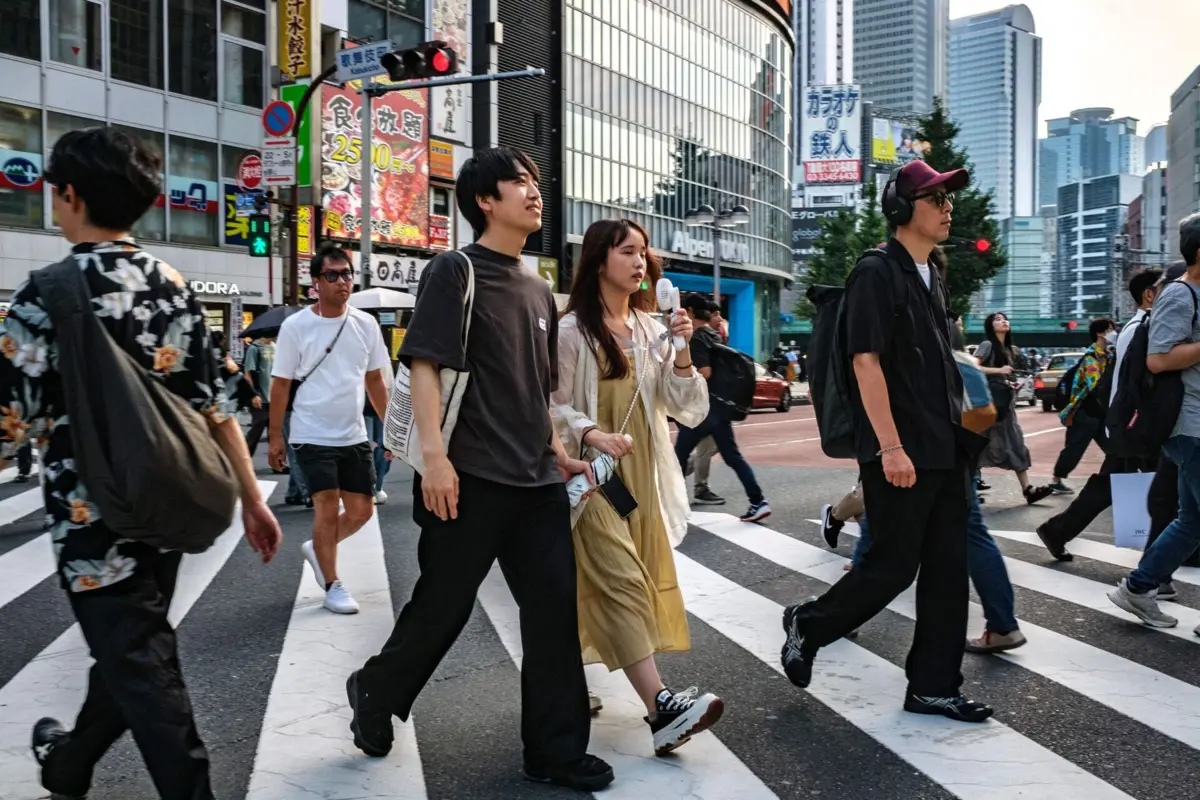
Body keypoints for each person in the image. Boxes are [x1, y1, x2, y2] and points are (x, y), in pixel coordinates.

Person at [10, 126, 281, 800]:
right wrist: (252, 498)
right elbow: (219, 404)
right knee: (133, 651)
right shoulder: (171, 284)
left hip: (90, 517)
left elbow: (13, 419)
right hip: (167, 501)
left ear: (68, 195)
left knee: (140, 660)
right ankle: (69, 763)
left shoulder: (46, 293)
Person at [347, 147, 614, 791]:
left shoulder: (538, 289)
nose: (534, 191)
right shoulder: (454, 271)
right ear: (485, 202)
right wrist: (435, 459)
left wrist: (557, 452)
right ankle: (376, 689)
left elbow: (533, 392)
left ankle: (554, 753)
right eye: (518, 182)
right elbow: (426, 365)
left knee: (553, 615)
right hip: (468, 480)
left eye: (534, 180)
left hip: (536, 483)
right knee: (443, 609)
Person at [780, 159, 993, 722]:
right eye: (936, 198)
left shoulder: (931, 275)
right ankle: (809, 623)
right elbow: (865, 363)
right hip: (901, 450)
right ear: (902, 208)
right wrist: (891, 447)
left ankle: (932, 685)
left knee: (948, 570)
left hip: (943, 448)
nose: (948, 208)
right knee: (891, 568)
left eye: (948, 199)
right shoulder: (876, 271)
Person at [552, 218, 722, 756]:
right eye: (628, 251)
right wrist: (590, 432)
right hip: (588, 478)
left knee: (606, 585)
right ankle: (661, 708)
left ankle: (563, 680)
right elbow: (549, 405)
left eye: (644, 253)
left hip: (641, 479)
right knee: (621, 581)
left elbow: (687, 406)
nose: (640, 262)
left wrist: (683, 349)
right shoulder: (571, 331)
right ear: (599, 260)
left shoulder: (652, 329)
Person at [268, 242, 392, 615]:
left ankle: (318, 548)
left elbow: (375, 381)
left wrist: (393, 430)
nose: (342, 282)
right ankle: (332, 584)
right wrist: (276, 436)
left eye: (347, 274)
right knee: (326, 505)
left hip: (352, 434)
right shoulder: (296, 326)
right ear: (316, 283)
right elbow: (281, 385)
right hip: (310, 433)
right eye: (333, 275)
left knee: (362, 511)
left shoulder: (365, 324)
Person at [1108, 212, 1200, 630]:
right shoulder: (1181, 295)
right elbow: (1158, 358)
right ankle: (1137, 587)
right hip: (1189, 425)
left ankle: (1137, 587)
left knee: (1191, 521)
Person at [1037, 269, 1163, 562]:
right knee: (1166, 488)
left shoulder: (1138, 326)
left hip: (1129, 423)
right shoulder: (1140, 327)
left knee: (1110, 485)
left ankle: (1058, 530)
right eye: (1164, 288)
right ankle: (1162, 561)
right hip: (1135, 424)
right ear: (1148, 294)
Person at [674, 293, 770, 522]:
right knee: (733, 456)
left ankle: (665, 504)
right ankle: (758, 501)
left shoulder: (697, 337)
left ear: (690, 312)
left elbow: (705, 372)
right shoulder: (713, 334)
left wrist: (681, 376)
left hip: (703, 410)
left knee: (677, 457)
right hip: (720, 408)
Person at [974, 312, 1053, 504]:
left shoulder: (1011, 350)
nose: (1003, 321)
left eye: (1005, 318)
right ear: (990, 326)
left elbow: (1005, 375)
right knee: (976, 444)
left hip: (1004, 405)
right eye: (998, 319)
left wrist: (1010, 382)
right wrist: (999, 371)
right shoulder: (987, 345)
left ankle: (1028, 489)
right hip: (987, 405)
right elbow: (973, 366)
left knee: (1015, 443)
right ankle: (969, 488)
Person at [1047, 318, 1116, 494]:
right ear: (1099, 333)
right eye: (1110, 330)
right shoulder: (1091, 358)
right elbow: (1096, 385)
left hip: (1099, 412)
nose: (1113, 333)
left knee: (1113, 448)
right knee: (1075, 448)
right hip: (1085, 412)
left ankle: (1111, 481)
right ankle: (1057, 480)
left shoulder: (1107, 355)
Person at [241, 336, 276, 459]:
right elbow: (248, 373)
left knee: (275, 432)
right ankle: (243, 459)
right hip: (260, 396)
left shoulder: (274, 347)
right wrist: (253, 394)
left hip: (274, 397)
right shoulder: (254, 348)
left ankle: (277, 463)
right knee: (256, 430)